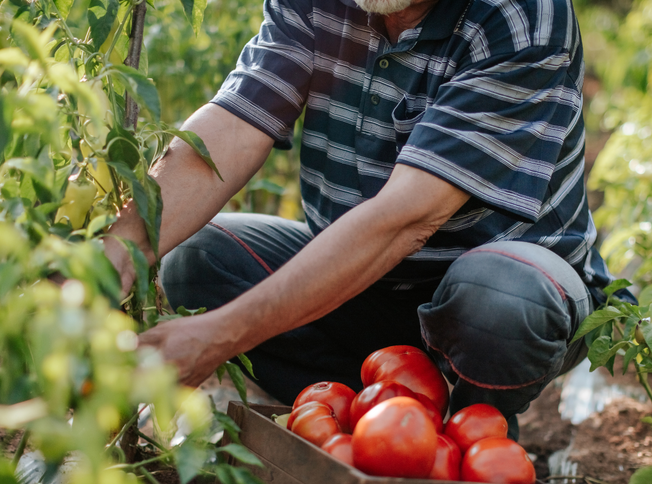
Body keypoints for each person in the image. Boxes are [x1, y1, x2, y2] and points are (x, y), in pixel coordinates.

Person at [104, 0, 622, 438]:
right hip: (363, 288)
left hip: (496, 297)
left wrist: (222, 335)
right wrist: (115, 254)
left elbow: (406, 218)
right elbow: (236, 123)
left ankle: (469, 432)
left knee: (502, 304)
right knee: (199, 261)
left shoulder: (519, 17)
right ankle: (376, 418)